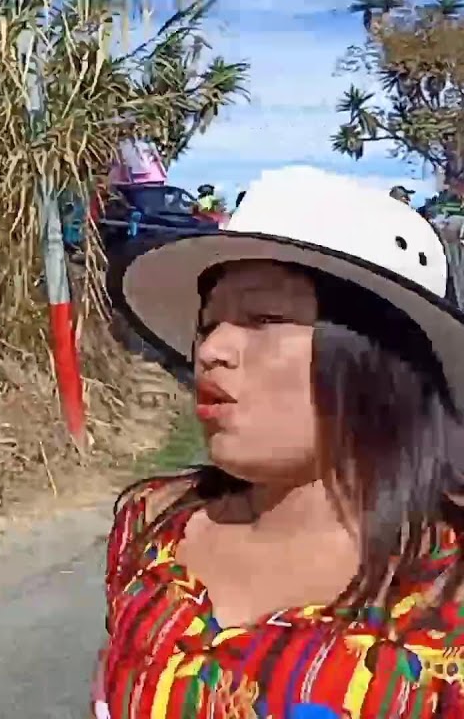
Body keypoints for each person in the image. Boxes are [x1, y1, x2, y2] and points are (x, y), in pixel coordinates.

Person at [98, 166, 464, 717]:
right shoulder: (150, 526)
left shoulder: (446, 587)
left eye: (263, 318)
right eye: (208, 324)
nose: (211, 351)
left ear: (382, 361)